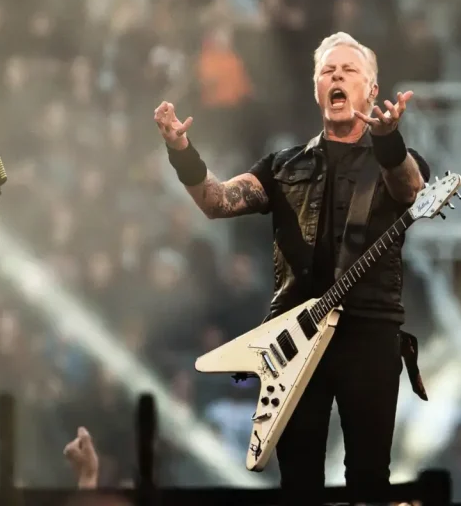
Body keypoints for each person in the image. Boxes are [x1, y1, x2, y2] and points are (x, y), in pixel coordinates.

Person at [153, 32, 431, 502]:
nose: (337, 76)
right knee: (298, 482)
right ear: (317, 89)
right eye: (328, 71)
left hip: (370, 333)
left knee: (369, 480)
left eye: (349, 70)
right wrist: (183, 153)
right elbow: (217, 201)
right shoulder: (283, 166)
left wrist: (387, 142)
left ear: (372, 90)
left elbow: (411, 189)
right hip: (294, 338)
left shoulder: (395, 160)